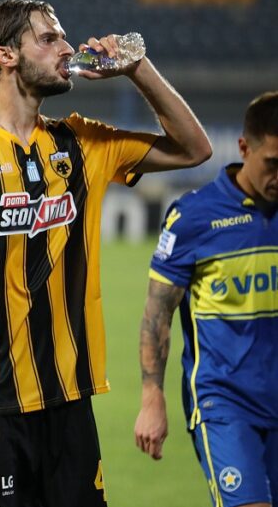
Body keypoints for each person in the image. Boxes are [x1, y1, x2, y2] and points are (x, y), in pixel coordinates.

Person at [0, 0, 212, 507]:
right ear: (6, 55)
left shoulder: (80, 142)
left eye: (64, 37)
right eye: (49, 38)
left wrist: (137, 69)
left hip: (71, 402)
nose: (68, 48)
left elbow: (193, 149)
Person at [134, 92, 278, 507]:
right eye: (273, 163)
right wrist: (152, 398)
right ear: (244, 148)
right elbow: (157, 314)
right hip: (224, 403)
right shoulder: (195, 217)